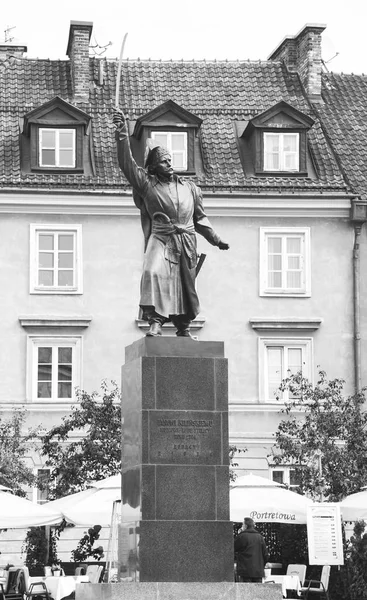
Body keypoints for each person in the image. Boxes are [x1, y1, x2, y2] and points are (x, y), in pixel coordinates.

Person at [113, 108, 230, 338]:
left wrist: (216, 240)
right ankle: (155, 321)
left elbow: (200, 219)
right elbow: (127, 163)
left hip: (186, 240)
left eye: (170, 160)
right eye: (164, 161)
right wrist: (121, 133)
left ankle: (183, 326)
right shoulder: (147, 184)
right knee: (152, 272)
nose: (169, 164)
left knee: (185, 284)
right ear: (154, 166)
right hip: (161, 236)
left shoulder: (190, 188)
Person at [234, 517, 269, 583]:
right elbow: (265, 555)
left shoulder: (242, 536)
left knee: (245, 591)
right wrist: (261, 566)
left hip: (245, 571)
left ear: (245, 525)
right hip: (258, 572)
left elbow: (233, 549)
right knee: (256, 592)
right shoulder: (260, 537)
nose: (242, 526)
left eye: (242, 525)